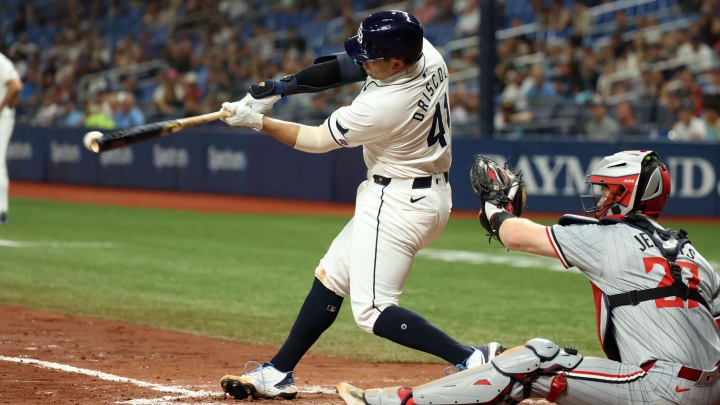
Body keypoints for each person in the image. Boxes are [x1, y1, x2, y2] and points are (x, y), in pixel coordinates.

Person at [217, 10, 502, 401]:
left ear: (397, 61)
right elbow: (345, 67)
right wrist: (282, 87)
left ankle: (471, 358)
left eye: (372, 56)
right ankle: (278, 372)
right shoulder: (428, 54)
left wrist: (257, 122)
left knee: (372, 311)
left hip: (399, 200)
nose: (363, 61)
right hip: (424, 194)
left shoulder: (385, 105)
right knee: (332, 275)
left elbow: (318, 141)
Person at [337, 150, 720, 405]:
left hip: (662, 390)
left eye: (606, 191)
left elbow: (514, 234)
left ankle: (400, 401)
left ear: (626, 194)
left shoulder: (607, 238)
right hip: (710, 391)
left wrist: (495, 206)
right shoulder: (692, 253)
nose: (600, 198)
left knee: (538, 358)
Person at [0, 52, 22, 225]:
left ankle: (1, 211)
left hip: (2, 118)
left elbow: (16, 85)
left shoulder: (1, 60)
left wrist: (1, 107)